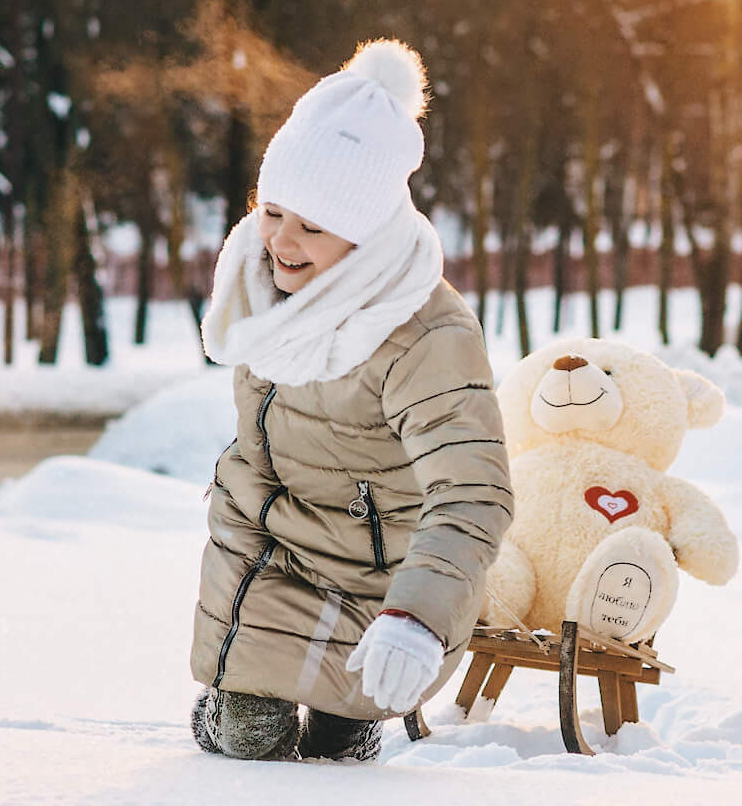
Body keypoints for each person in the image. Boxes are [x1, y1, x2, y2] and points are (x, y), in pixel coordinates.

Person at [188, 40, 511, 762]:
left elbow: (473, 492)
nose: (281, 242)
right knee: (251, 740)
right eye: (274, 212)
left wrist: (417, 618)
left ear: (366, 236)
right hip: (270, 552)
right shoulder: (261, 288)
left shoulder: (424, 331)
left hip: (386, 577)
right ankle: (227, 710)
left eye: (313, 226)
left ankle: (349, 718)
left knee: (338, 746)